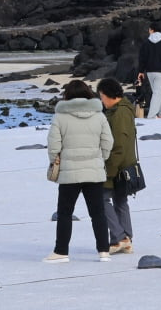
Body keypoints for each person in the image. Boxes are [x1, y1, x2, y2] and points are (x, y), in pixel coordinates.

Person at [44, 79, 114, 263]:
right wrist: (101, 158)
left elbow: (53, 145)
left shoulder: (60, 117)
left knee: (65, 213)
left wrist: (55, 161)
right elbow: (108, 142)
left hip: (69, 173)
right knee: (98, 212)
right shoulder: (99, 116)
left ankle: (61, 252)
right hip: (94, 171)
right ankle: (104, 251)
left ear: (67, 95)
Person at [97, 78, 136, 255]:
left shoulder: (119, 113)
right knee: (120, 200)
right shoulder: (122, 110)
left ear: (108, 95)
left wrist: (109, 170)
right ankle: (126, 238)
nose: (101, 100)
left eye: (101, 96)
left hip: (118, 164)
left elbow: (118, 144)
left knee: (103, 198)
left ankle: (120, 237)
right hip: (126, 162)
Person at [136, 24, 161, 119]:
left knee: (156, 92)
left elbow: (142, 58)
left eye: (149, 29)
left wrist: (140, 71)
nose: (148, 31)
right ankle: (151, 116)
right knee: (157, 93)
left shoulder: (146, 43)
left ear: (152, 30)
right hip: (160, 71)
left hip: (149, 71)